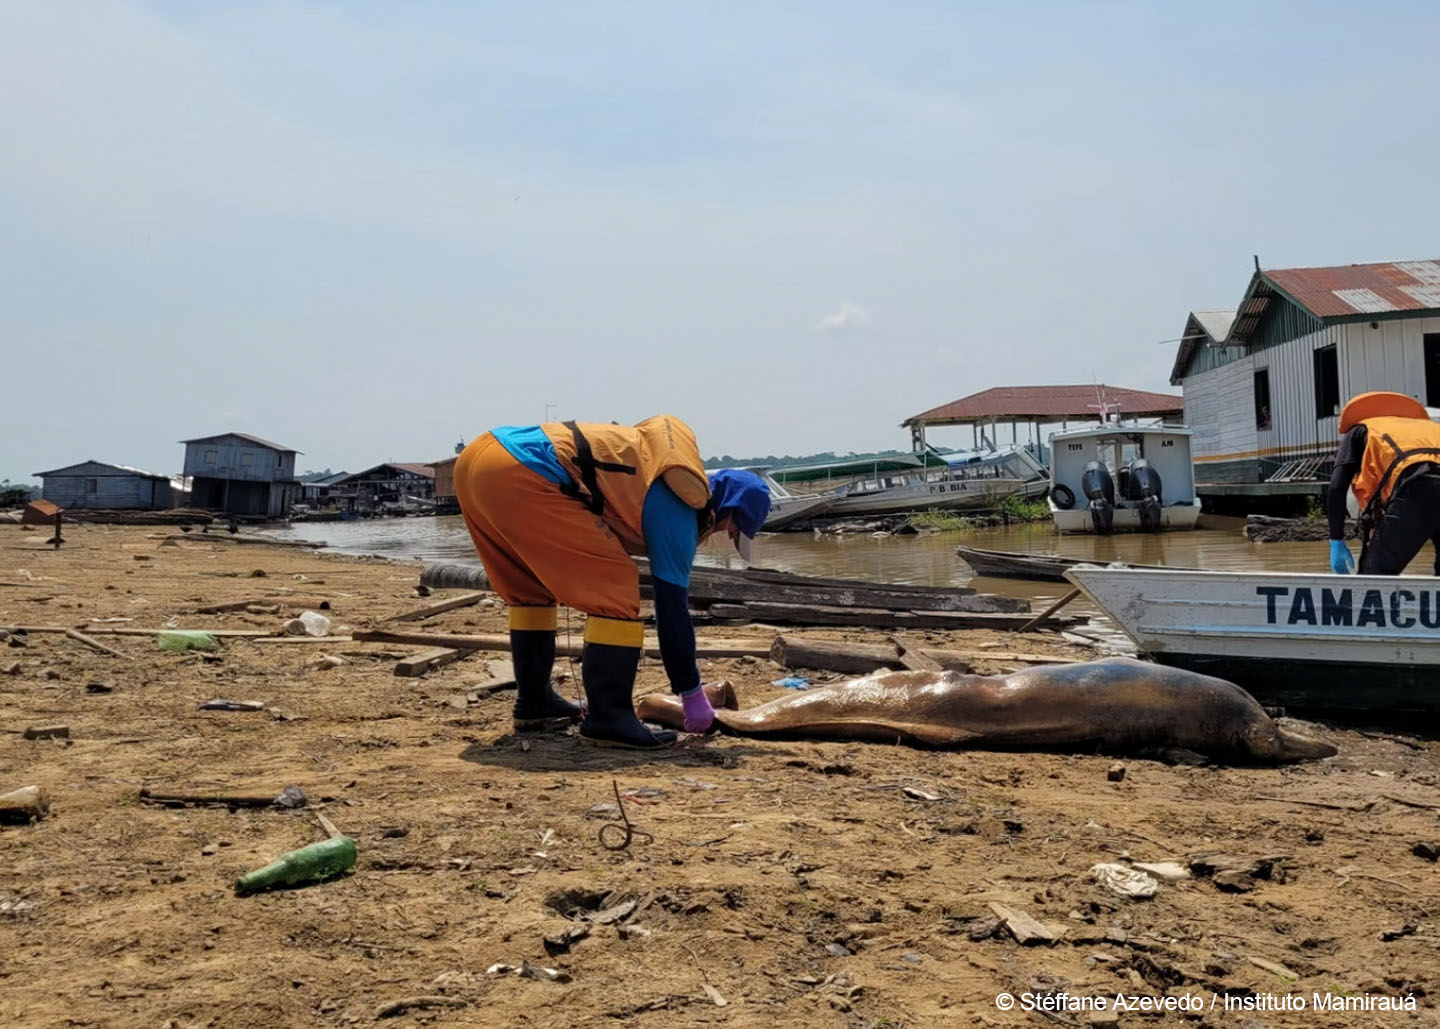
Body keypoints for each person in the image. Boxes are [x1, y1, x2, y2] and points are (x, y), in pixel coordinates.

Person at [453, 416, 771, 749]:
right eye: (731, 529)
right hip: (526, 469)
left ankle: (534, 704)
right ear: (728, 509)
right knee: (617, 585)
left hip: (479, 460)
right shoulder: (680, 503)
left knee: (529, 589)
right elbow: (671, 609)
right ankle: (609, 718)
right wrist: (690, 692)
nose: (724, 535)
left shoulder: (653, 475)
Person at [1326, 391, 1440, 575]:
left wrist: (1336, 539)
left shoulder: (1360, 429)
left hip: (1417, 487)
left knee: (1375, 578)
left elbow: (1337, 488)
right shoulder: (1430, 427)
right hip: (1419, 483)